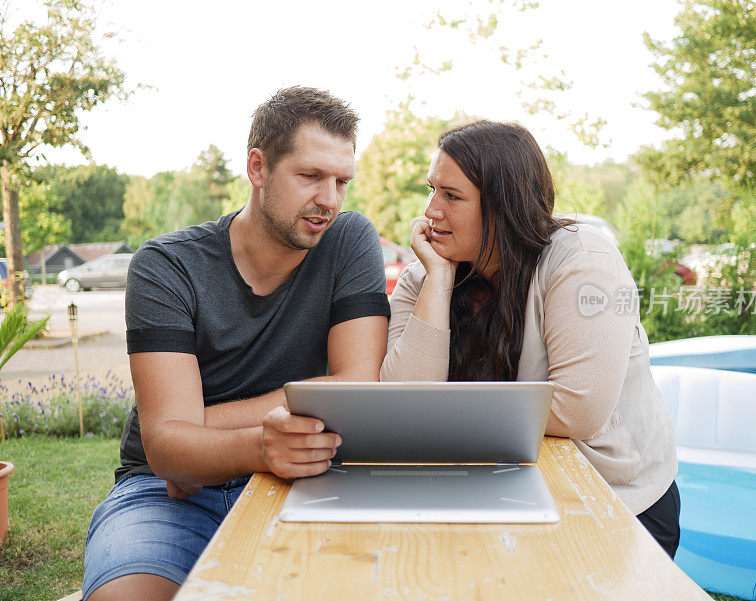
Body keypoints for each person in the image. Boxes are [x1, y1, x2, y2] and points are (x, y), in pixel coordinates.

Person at [83, 86, 390, 601]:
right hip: (168, 496)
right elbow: (164, 453)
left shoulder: (349, 240)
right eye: (310, 176)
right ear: (258, 168)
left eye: (341, 181)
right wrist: (252, 445)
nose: (330, 200)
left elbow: (357, 386)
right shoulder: (167, 266)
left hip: (303, 478)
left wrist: (196, 432)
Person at [380, 120, 680, 558]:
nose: (430, 211)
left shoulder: (582, 261)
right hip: (500, 489)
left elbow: (578, 410)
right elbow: (402, 400)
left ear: (504, 206)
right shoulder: (424, 275)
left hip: (615, 499)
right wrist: (440, 281)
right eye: (432, 190)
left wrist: (438, 408)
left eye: (452, 196)